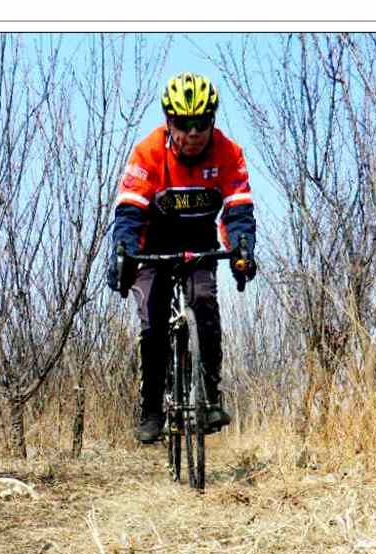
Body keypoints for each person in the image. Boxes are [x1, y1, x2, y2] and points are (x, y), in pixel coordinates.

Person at [107, 72, 257, 444]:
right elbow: (129, 213)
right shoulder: (148, 152)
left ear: (212, 120)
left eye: (201, 123)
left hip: (198, 239)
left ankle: (210, 395)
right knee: (152, 321)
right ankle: (152, 409)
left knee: (204, 301)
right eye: (183, 124)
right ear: (168, 122)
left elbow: (238, 210)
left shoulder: (229, 153)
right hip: (152, 241)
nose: (193, 133)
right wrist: (123, 256)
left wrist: (242, 250)